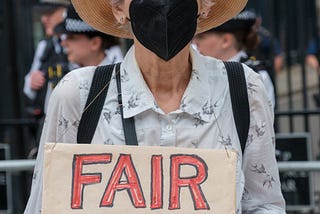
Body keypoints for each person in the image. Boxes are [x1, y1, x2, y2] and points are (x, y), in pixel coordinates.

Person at [24, 0, 285, 213]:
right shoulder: (79, 95)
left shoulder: (242, 88)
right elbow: (45, 205)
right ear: (118, 8)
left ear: (204, 6)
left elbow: (264, 204)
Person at [193, 10, 276, 109]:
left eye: (201, 37)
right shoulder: (198, 72)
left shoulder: (255, 76)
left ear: (226, 41)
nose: (194, 43)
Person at [24, 0, 71, 118]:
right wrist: (32, 80)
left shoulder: (81, 43)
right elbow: (28, 88)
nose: (44, 19)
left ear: (65, 12)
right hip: (49, 118)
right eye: (42, 15)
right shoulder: (44, 46)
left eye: (50, 13)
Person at [54, 4, 123, 67]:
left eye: (71, 38)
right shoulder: (72, 74)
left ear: (95, 43)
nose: (63, 43)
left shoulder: (117, 77)